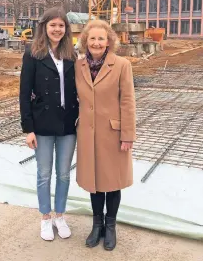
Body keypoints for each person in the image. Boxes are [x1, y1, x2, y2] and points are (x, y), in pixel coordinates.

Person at [75, 20, 136, 251]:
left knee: (112, 181)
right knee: (94, 182)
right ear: (85, 41)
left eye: (101, 38)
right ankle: (97, 224)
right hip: (88, 134)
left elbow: (128, 102)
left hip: (113, 133)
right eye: (92, 38)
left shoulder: (121, 65)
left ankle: (110, 226)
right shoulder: (79, 66)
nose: (97, 43)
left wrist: (127, 135)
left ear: (109, 41)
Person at [19, 7, 78, 241]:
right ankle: (45, 217)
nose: (57, 29)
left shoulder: (71, 54)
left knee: (63, 174)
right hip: (42, 123)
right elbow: (24, 93)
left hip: (67, 124)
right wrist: (28, 128)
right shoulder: (33, 54)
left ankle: (60, 215)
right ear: (44, 27)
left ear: (66, 29)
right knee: (44, 173)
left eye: (61, 25)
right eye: (53, 25)